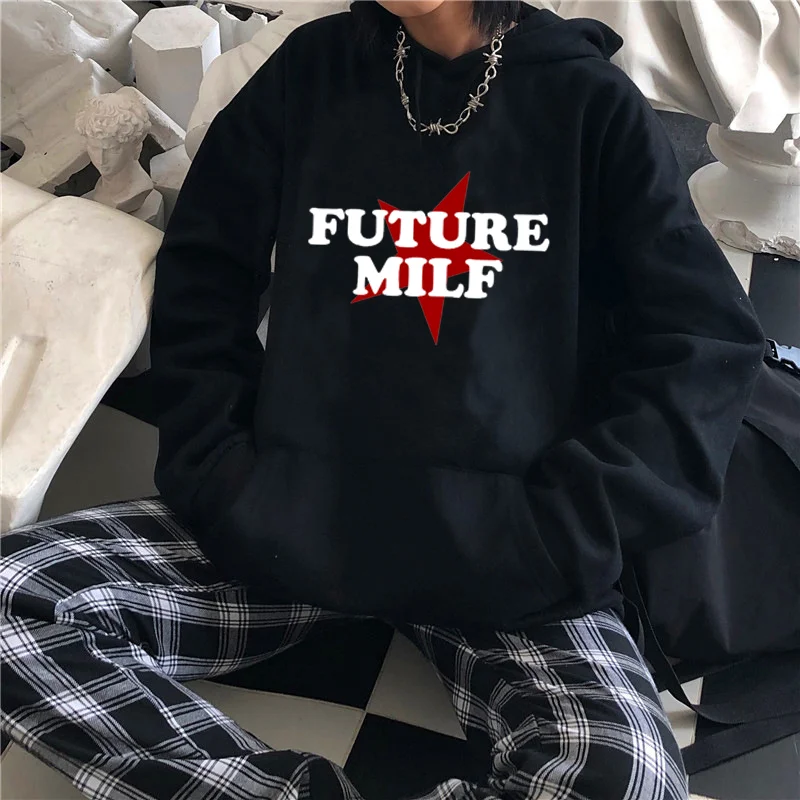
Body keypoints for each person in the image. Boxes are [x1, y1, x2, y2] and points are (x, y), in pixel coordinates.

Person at [1, 2, 766, 798]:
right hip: (292, 524)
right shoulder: (309, 72)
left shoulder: (587, 100)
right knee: (13, 603)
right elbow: (204, 269)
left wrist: (558, 530)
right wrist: (224, 473)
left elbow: (704, 341)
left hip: (506, 563)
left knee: (627, 781)